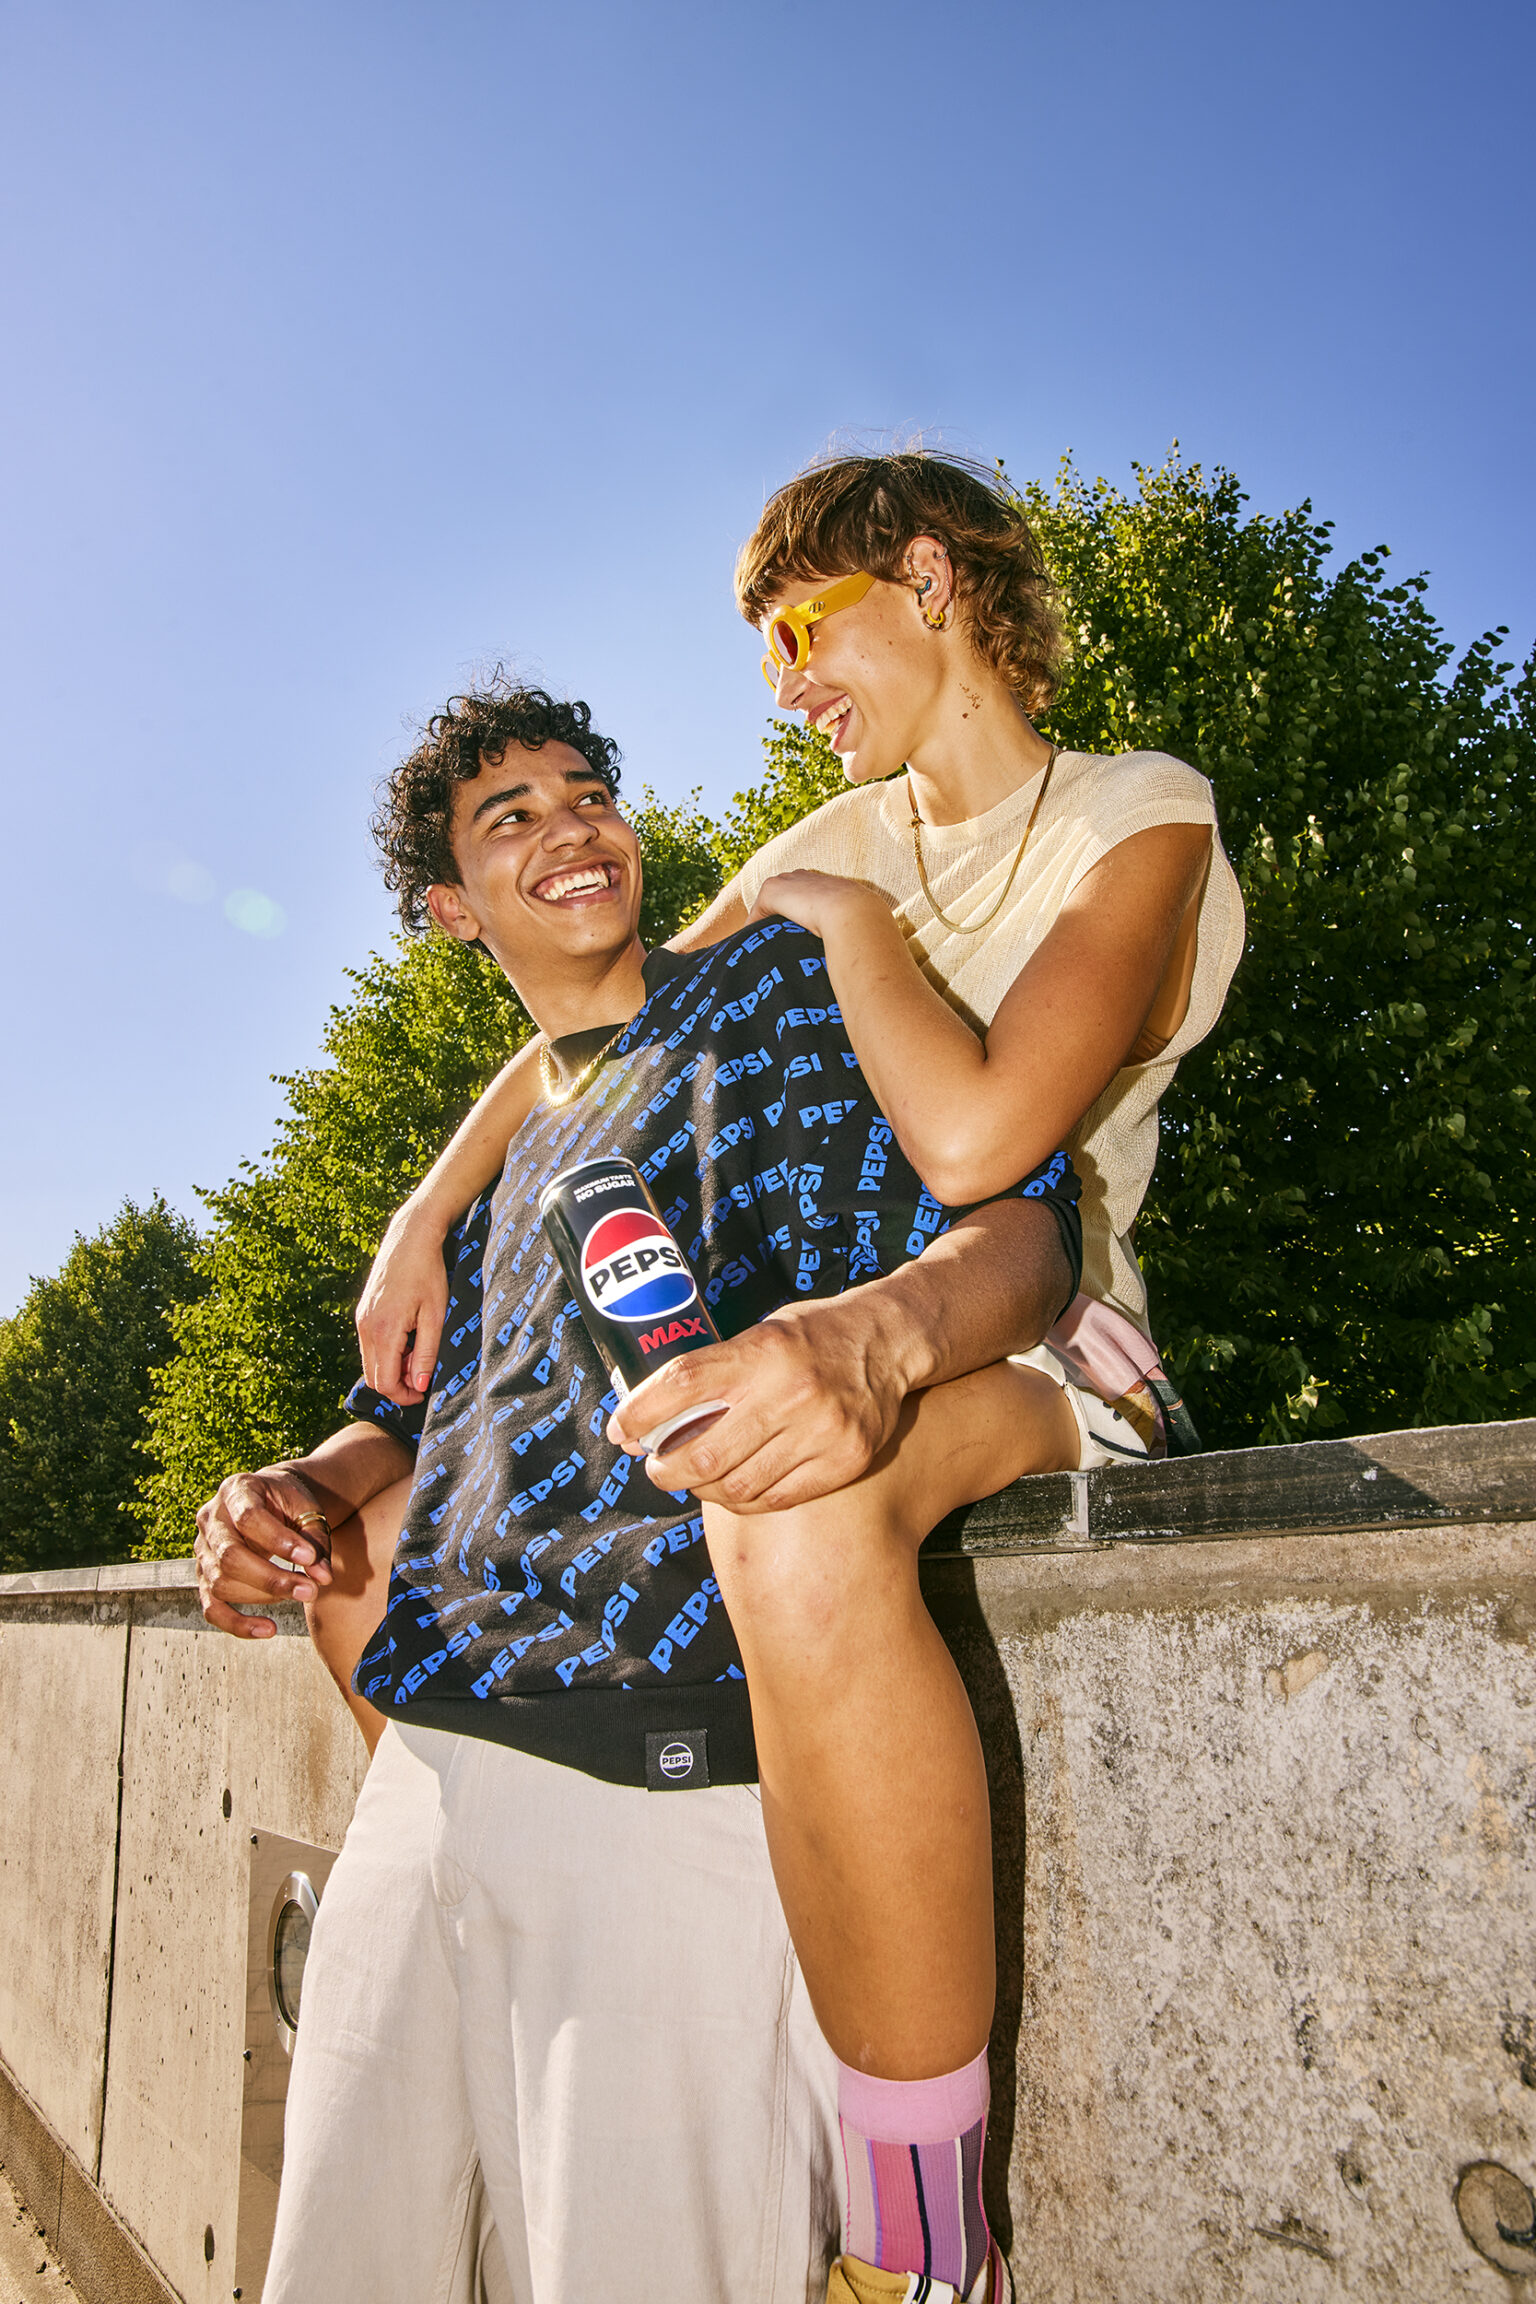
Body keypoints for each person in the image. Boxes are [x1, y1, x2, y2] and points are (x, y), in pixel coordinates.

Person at [350, 451, 1246, 2304]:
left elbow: (991, 1132)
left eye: (796, 631)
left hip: (1036, 1324)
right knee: (691, 1511)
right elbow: (600, 1029)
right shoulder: (823, 841)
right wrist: (425, 1214)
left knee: (810, 1526)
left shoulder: (1134, 817)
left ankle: (925, 2245)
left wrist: (844, 931)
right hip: (822, 1342)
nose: (784, 685)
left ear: (921, 578)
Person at [195, 681, 1084, 2304]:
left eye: (585, 791)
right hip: (423, 1787)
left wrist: (879, 1341)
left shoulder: (778, 991)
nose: (572, 825)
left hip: (668, 1780)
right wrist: (290, 1495)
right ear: (456, 911)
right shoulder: (488, 1167)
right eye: (511, 815)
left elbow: (1019, 1223)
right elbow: (404, 1424)